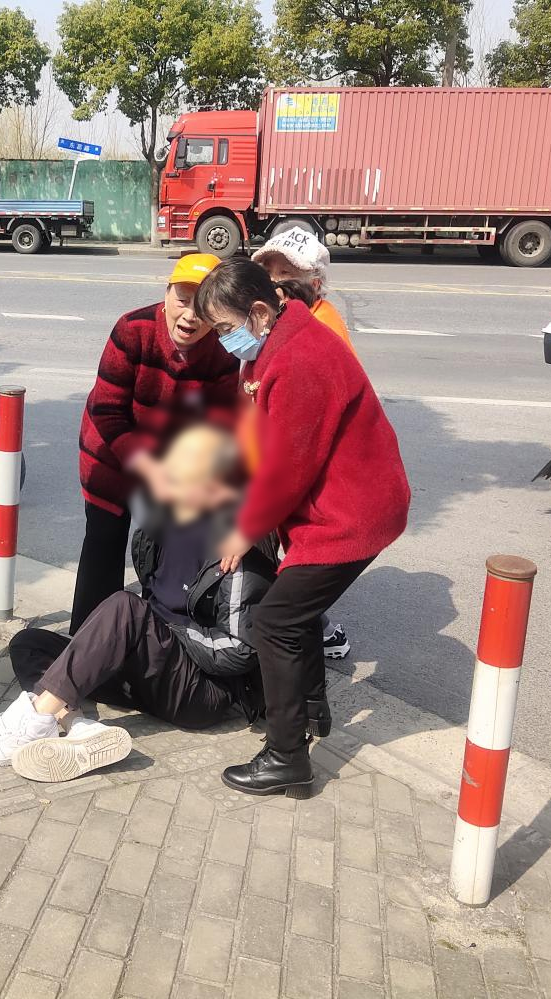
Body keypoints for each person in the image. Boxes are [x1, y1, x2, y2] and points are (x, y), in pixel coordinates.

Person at [0, 425, 275, 782]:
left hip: (200, 691)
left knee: (125, 608)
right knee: (28, 644)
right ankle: (77, 726)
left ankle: (33, 723)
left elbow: (239, 650)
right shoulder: (159, 530)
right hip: (150, 671)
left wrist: (162, 633)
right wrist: (144, 637)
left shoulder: (237, 550)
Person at [196, 258, 410, 799]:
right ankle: (310, 709)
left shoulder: (299, 358)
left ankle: (286, 756)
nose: (223, 341)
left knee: (275, 623)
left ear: (259, 311)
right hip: (334, 503)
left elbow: (289, 466)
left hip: (351, 511)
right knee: (297, 614)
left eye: (225, 328)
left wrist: (246, 527)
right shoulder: (275, 341)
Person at [73, 253, 240, 634]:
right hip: (111, 456)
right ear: (166, 294)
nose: (190, 316)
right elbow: (107, 410)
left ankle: (152, 639)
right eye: (183, 299)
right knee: (104, 543)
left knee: (167, 556)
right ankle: (87, 643)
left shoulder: (223, 349)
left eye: (204, 306)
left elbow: (218, 424)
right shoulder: (133, 329)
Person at [252, 227, 356, 660]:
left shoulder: (320, 330)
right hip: (292, 471)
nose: (275, 281)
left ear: (315, 281)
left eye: (286, 273)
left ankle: (314, 634)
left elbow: (302, 437)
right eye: (269, 271)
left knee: (296, 569)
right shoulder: (284, 321)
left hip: (315, 481)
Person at [252, 226, 353, 351]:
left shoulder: (320, 327)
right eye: (267, 271)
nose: (272, 280)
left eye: (285, 272)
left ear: (314, 284)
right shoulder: (281, 313)